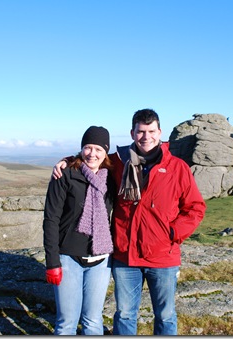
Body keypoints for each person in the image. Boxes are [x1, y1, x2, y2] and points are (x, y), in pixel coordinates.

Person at [53, 109, 206, 335]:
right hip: (126, 256)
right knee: (124, 314)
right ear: (132, 133)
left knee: (165, 315)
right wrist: (66, 161)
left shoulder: (177, 168)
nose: (146, 137)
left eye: (151, 131)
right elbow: (92, 158)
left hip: (163, 256)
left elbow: (195, 208)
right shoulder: (119, 162)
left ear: (160, 132)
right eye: (141, 131)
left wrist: (172, 233)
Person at [43, 126, 116, 335]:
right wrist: (52, 262)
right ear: (81, 148)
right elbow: (51, 219)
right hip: (68, 257)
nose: (92, 153)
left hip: (101, 260)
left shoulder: (111, 178)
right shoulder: (65, 174)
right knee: (67, 322)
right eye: (87, 147)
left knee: (93, 321)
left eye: (98, 149)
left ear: (106, 152)